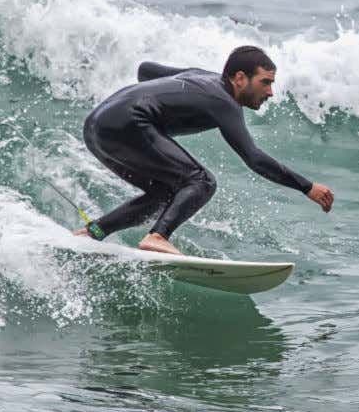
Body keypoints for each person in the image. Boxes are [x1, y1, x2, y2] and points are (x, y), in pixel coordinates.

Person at [73, 46, 334, 255]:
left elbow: (145, 70)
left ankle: (94, 232)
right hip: (127, 124)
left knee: (166, 192)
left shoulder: (200, 76)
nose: (270, 92)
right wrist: (306, 187)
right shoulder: (224, 102)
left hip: (97, 126)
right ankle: (158, 237)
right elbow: (254, 158)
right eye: (265, 82)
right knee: (202, 181)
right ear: (240, 78)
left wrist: (166, 92)